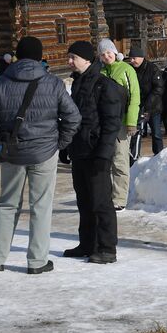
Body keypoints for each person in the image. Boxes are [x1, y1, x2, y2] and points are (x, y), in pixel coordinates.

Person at [0, 36, 80, 274]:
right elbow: (73, 117)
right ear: (39, 56)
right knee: (41, 206)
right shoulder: (53, 83)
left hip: (12, 152)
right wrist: (59, 143)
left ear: (17, 56)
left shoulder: (1, 82)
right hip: (44, 152)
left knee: (7, 204)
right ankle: (37, 261)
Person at [64, 40, 127, 264]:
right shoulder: (78, 83)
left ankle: (107, 248)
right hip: (80, 150)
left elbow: (111, 123)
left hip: (96, 152)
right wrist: (67, 145)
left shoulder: (103, 85)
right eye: (69, 57)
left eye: (73, 57)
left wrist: (103, 154)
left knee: (101, 202)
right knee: (84, 200)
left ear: (87, 59)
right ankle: (87, 243)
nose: (69, 61)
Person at [96, 40, 141, 209]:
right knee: (104, 160)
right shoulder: (100, 72)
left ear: (115, 53)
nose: (106, 56)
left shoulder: (126, 69)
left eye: (109, 52)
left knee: (120, 160)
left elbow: (134, 97)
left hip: (121, 123)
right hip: (104, 123)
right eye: (102, 53)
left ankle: (119, 200)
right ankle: (106, 196)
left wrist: (131, 122)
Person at [128, 49, 165, 157]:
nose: (132, 61)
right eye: (130, 58)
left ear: (141, 57)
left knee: (156, 133)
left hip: (153, 107)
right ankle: (134, 156)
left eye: (134, 58)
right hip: (137, 106)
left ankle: (158, 155)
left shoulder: (152, 69)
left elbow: (159, 88)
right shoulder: (130, 69)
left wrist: (148, 103)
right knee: (136, 132)